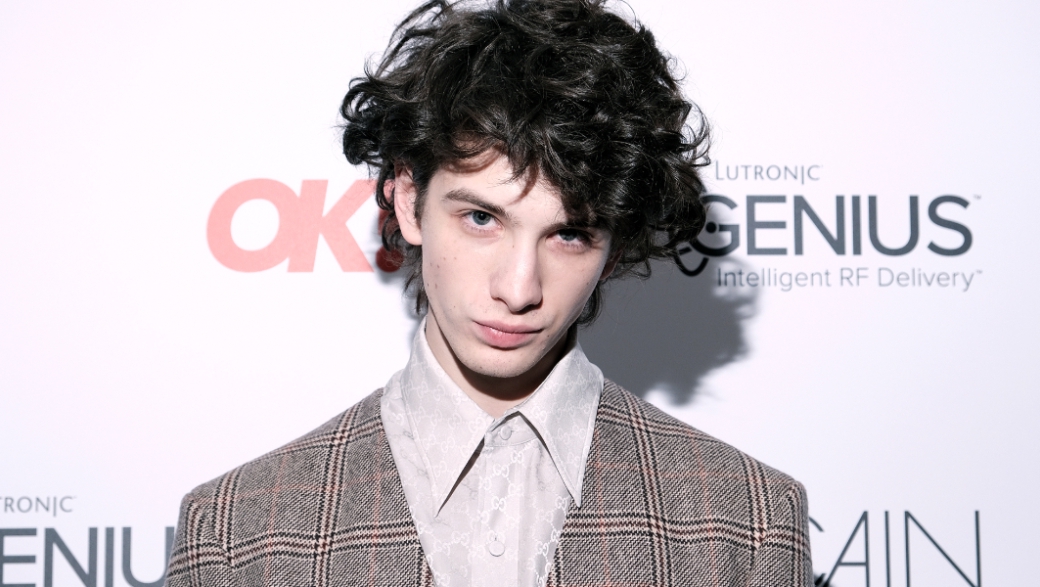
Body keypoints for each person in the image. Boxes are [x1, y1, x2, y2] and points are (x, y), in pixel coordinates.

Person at [164, 0, 812, 585]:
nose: (519, 288)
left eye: (569, 235)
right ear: (408, 201)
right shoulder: (237, 536)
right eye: (481, 218)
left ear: (614, 249)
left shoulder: (748, 524)